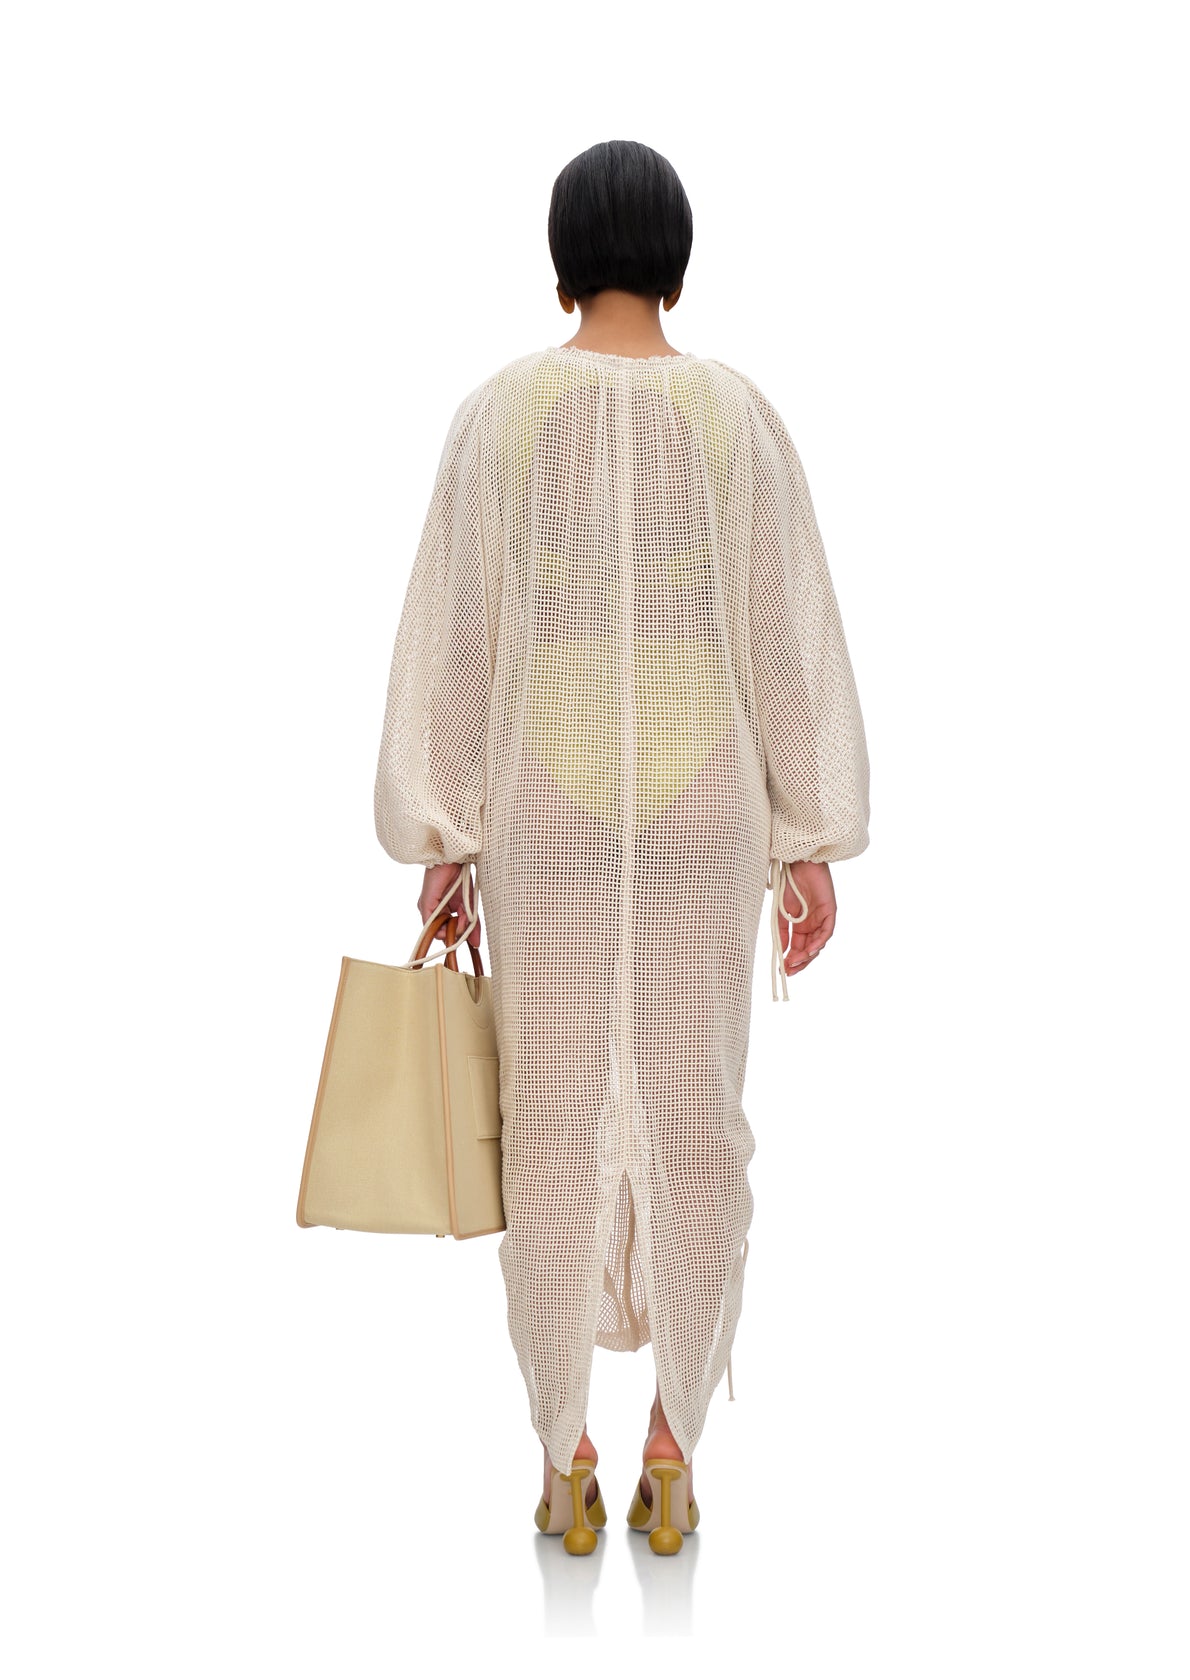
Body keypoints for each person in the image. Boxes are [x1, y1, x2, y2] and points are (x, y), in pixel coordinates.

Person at [374, 138, 870, 1556]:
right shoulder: (737, 417)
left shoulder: (498, 416)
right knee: (700, 1119)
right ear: (677, 263)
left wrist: (443, 834)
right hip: (708, 810)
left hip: (547, 812)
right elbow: (786, 634)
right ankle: (673, 1455)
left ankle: (562, 1460)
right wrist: (808, 835)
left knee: (549, 1120)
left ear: (559, 265)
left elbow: (459, 636)